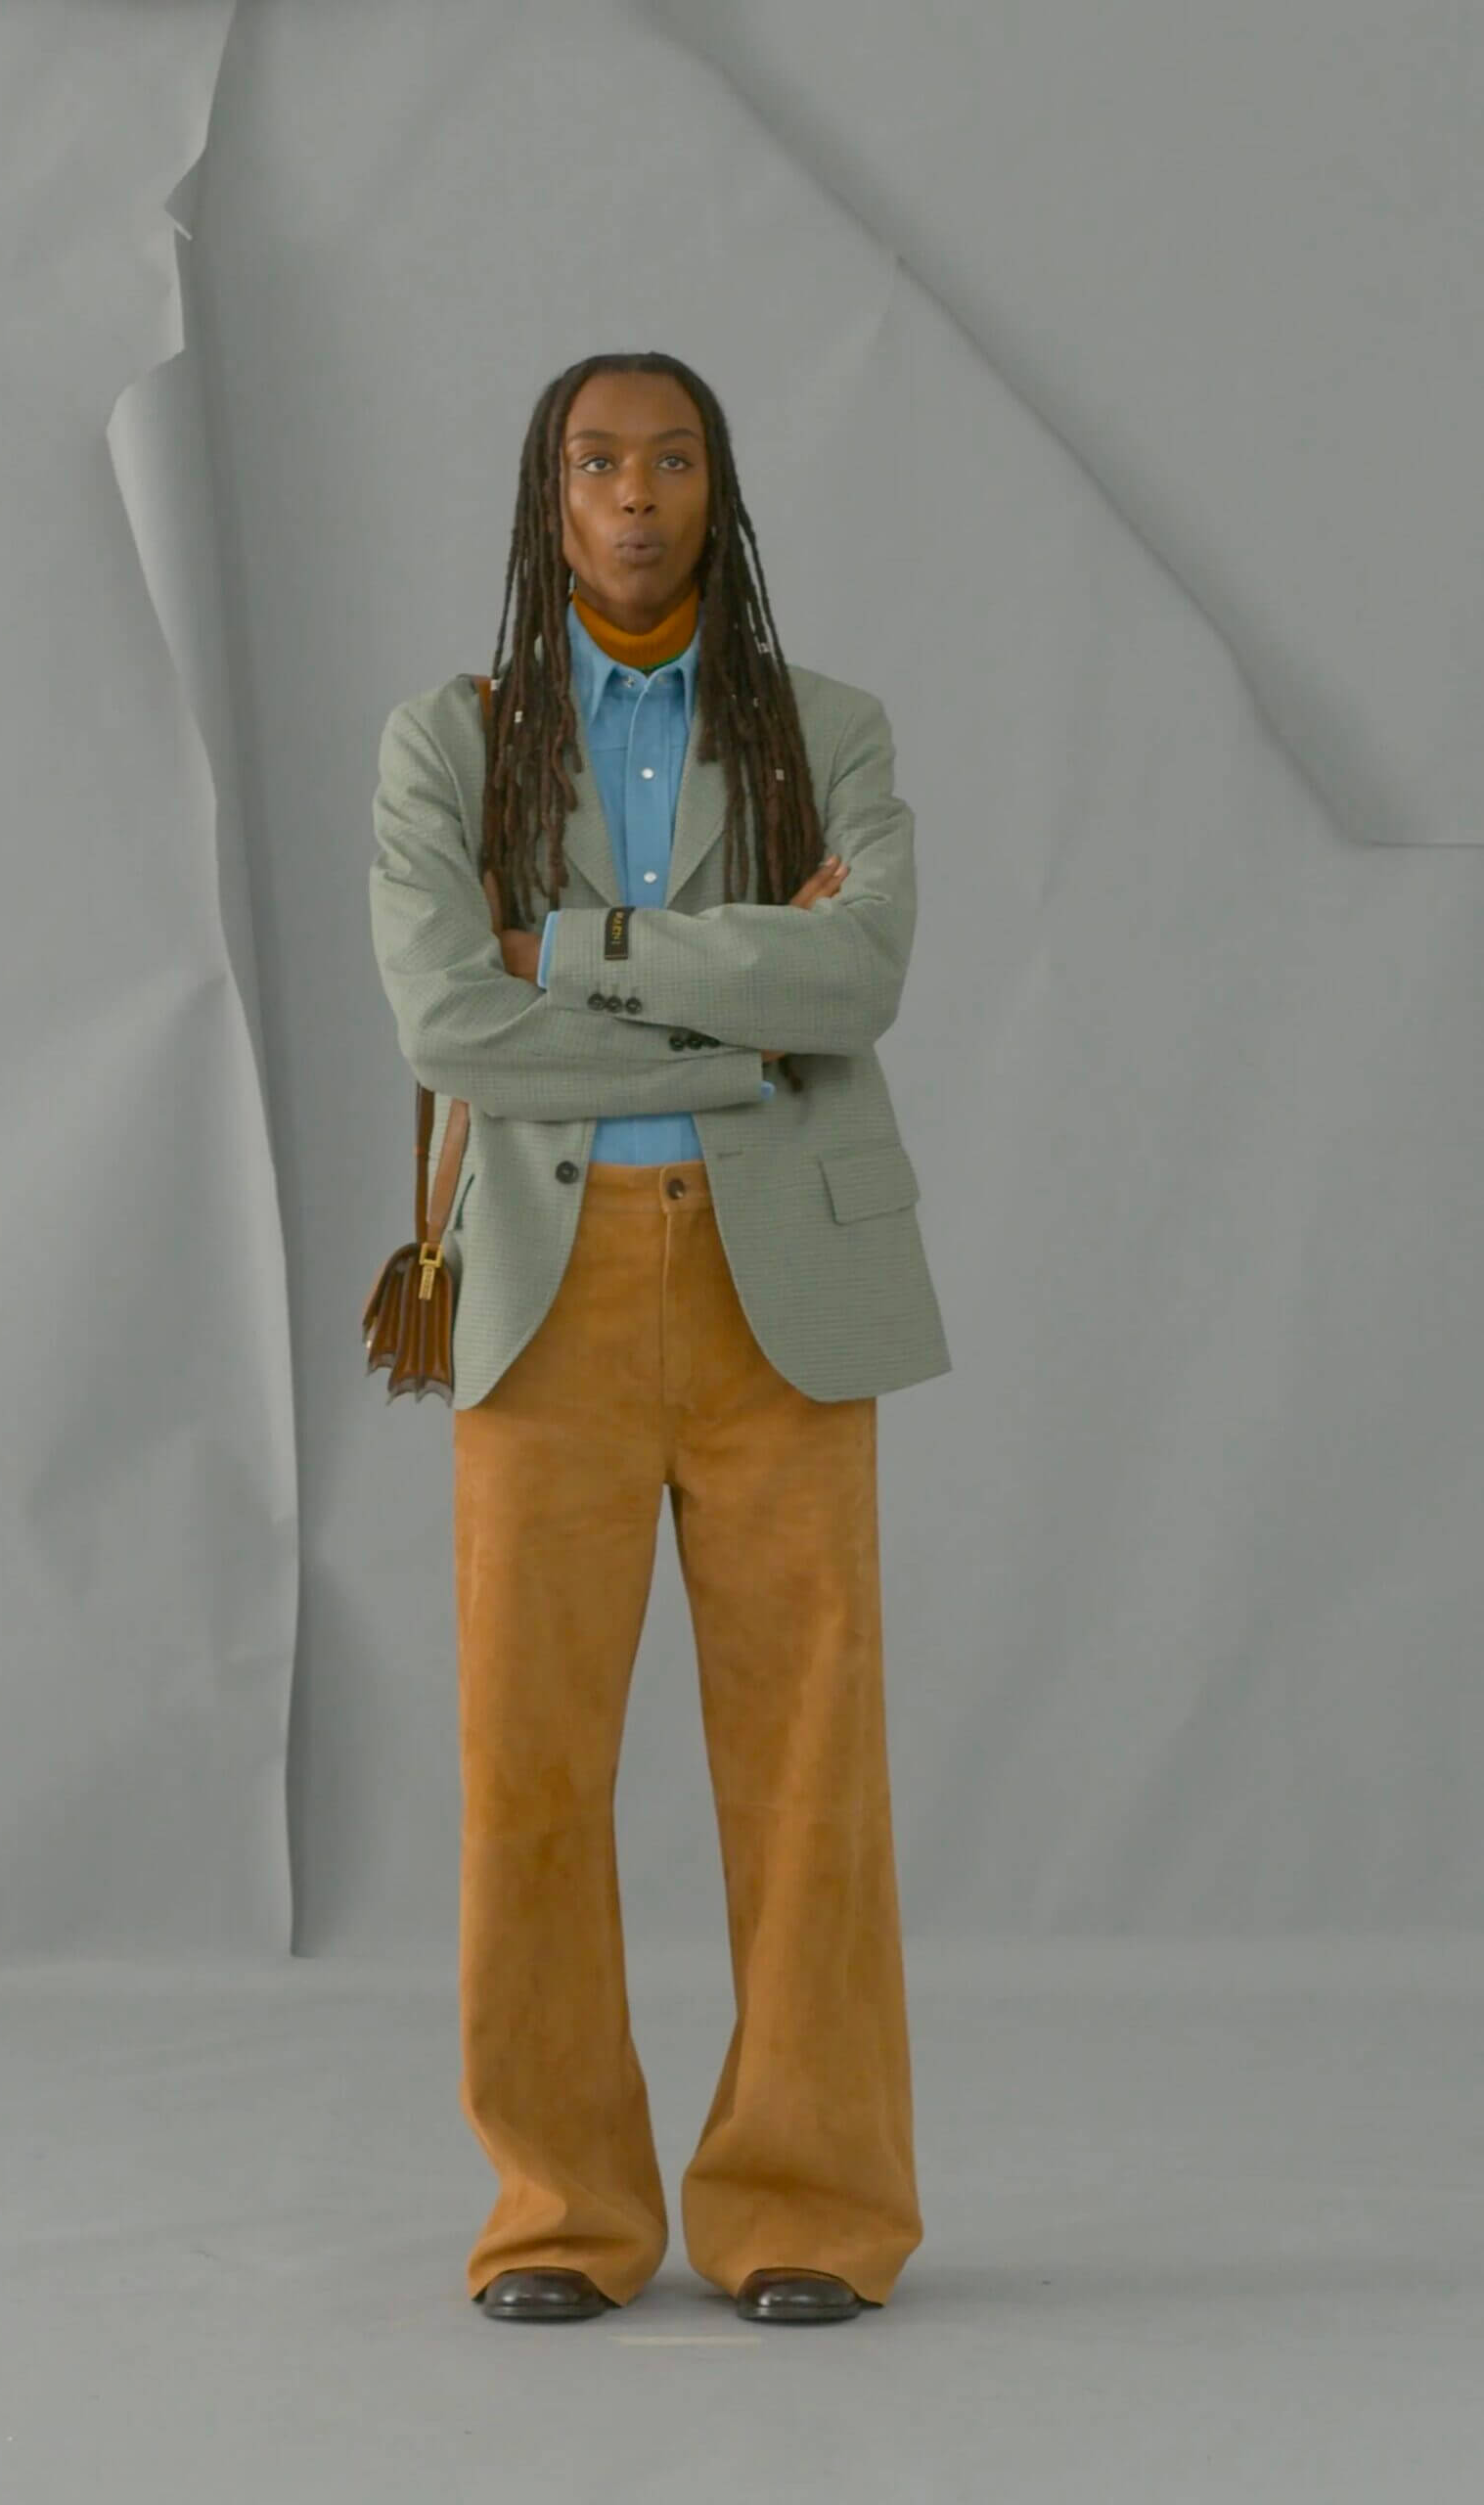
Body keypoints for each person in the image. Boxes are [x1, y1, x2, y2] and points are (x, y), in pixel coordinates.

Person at [369, 350, 951, 2326]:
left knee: (810, 1765)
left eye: (673, 458)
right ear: (548, 497)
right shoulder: (452, 744)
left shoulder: (823, 730)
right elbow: (445, 1021)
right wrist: (730, 1031)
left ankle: (808, 2203)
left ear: (719, 489)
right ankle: (559, 2208)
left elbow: (855, 974)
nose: (635, 493)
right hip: (545, 1295)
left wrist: (578, 952)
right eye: (599, 460)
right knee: (527, 1765)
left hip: (782, 1289)